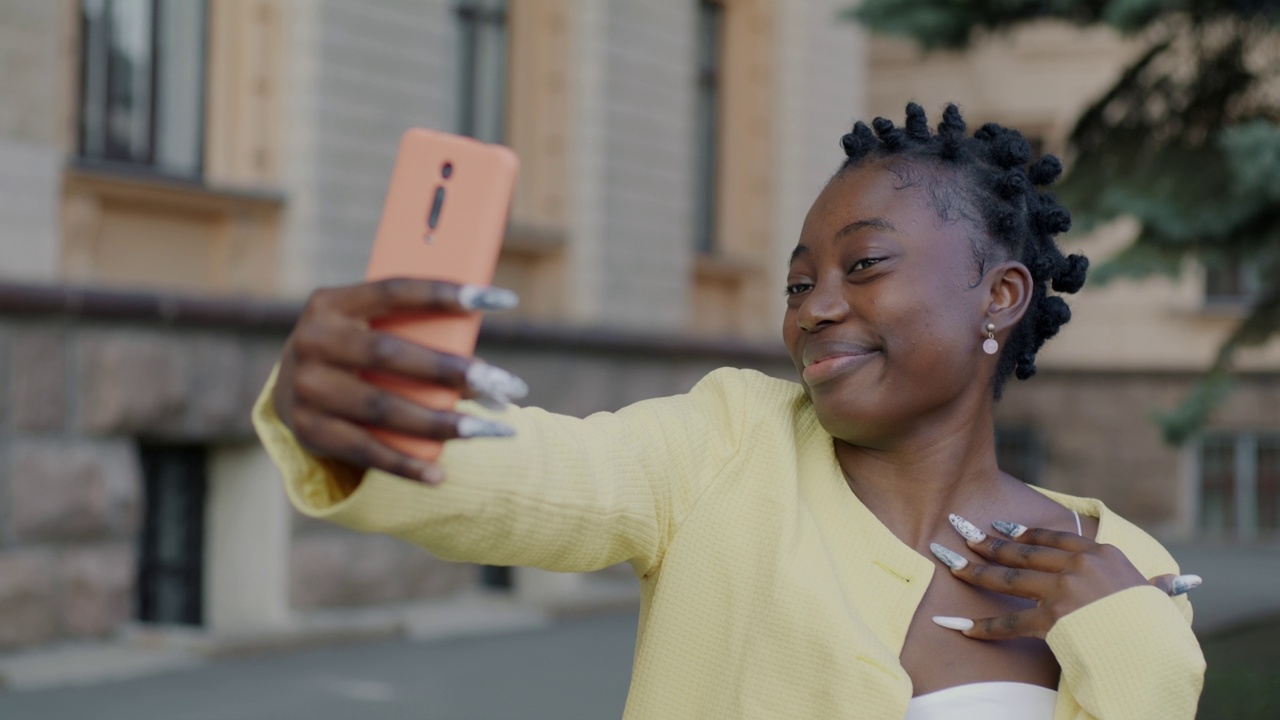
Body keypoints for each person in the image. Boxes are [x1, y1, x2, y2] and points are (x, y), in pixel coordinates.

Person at [255, 103, 1205, 719]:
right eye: (799, 283)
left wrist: (1131, 639)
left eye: (863, 266)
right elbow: (539, 476)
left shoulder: (1118, 568)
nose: (816, 306)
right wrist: (360, 416)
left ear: (998, 297)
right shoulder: (725, 443)